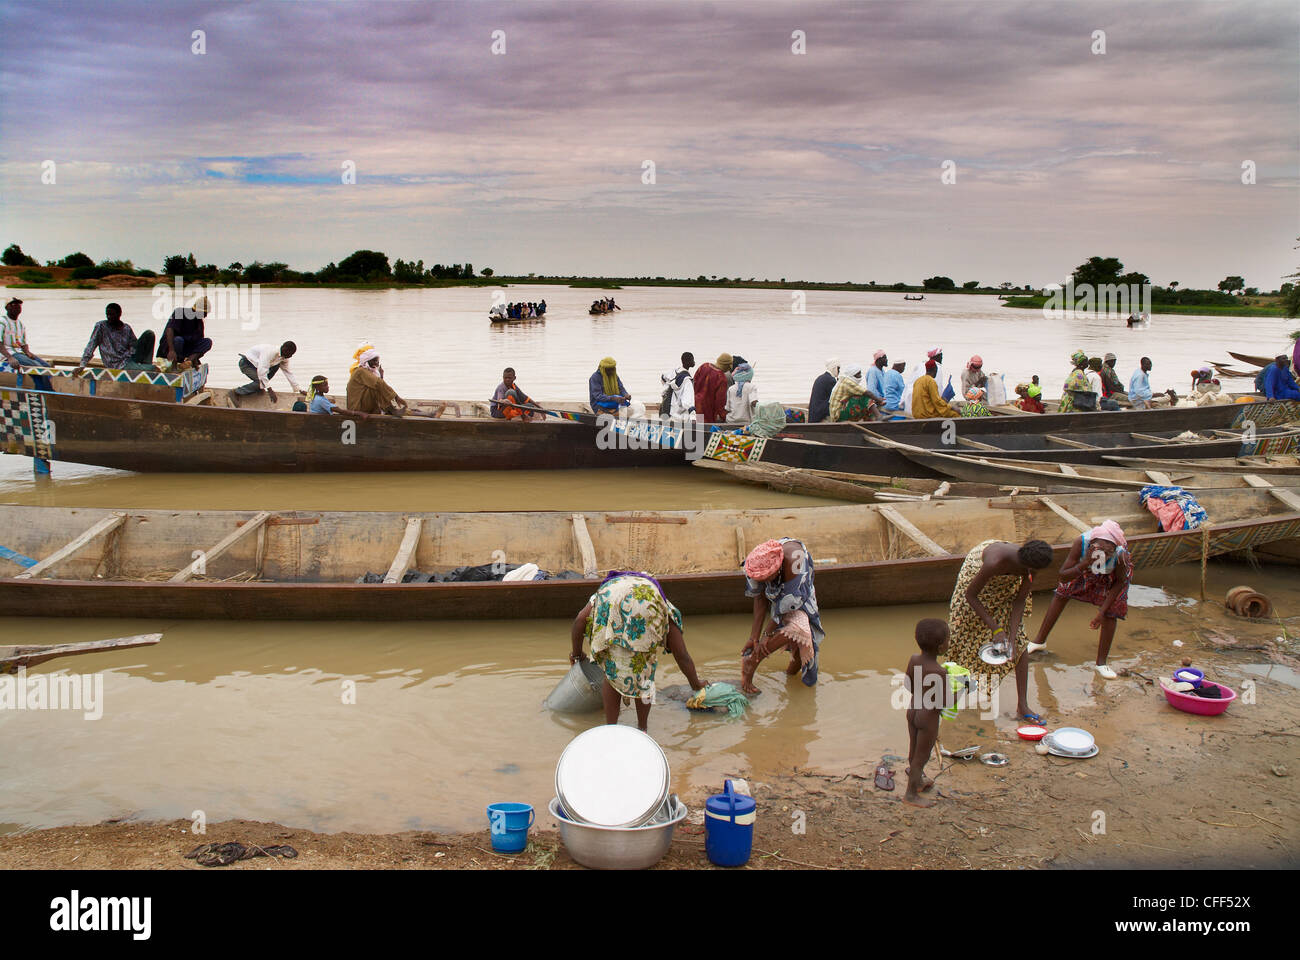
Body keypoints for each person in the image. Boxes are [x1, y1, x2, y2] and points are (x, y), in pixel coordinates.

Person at [569, 571, 705, 732]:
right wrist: (696, 685)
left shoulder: (605, 591)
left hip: (612, 602)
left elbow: (579, 620)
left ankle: (610, 728)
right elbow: (682, 656)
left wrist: (577, 654)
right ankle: (642, 728)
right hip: (646, 606)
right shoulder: (663, 607)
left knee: (611, 673)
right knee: (645, 676)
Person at [947, 538, 1055, 723]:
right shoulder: (995, 561)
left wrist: (1011, 639)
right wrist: (996, 629)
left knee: (1021, 645)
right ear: (1024, 562)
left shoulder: (1033, 566)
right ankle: (949, 701)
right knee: (965, 640)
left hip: (1004, 587)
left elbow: (1019, 600)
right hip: (976, 581)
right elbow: (971, 595)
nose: (1033, 573)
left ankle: (1022, 707)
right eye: (1030, 570)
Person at [1030, 521, 1131, 680]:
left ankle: (1101, 663)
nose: (1101, 557)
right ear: (1091, 545)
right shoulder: (1081, 542)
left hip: (1112, 577)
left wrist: (1101, 612)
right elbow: (1063, 575)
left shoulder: (1120, 555)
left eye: (1105, 556)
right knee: (1062, 592)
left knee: (1110, 613)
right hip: (1084, 567)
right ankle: (1039, 641)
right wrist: (1085, 563)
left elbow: (1119, 582)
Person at [740, 538, 824, 694]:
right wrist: (754, 638)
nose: (763, 582)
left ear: (777, 569)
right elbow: (759, 598)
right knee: (798, 632)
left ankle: (774, 669)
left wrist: (768, 634)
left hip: (799, 594)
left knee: (801, 638)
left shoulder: (795, 560)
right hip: (782, 594)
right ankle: (753, 661)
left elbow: (790, 603)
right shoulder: (752, 566)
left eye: (766, 579)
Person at [903, 618, 952, 808]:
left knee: (913, 749)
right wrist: (965, 688)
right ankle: (911, 794)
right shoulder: (940, 672)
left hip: (913, 710)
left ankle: (919, 781)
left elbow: (907, 684)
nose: (950, 642)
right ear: (941, 648)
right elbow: (944, 702)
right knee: (921, 757)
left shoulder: (914, 659)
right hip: (927, 718)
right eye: (948, 639)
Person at [77, 303, 156, 370]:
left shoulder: (126, 328)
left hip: (129, 358)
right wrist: (82, 365)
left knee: (149, 334)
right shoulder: (101, 326)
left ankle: (146, 364)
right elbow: (91, 346)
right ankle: (147, 367)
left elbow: (134, 345)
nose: (109, 317)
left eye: (112, 314)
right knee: (153, 369)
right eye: (107, 314)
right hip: (118, 364)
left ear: (119, 314)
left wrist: (132, 354)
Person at [0, 298, 54, 391]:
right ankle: (48, 392)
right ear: (7, 307)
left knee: (47, 367)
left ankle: (42, 391)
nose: (17, 307)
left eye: (19, 305)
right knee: (38, 368)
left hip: (20, 352)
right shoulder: (2, 322)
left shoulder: (20, 324)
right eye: (14, 305)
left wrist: (28, 352)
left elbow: (23, 343)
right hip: (7, 353)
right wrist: (9, 357)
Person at [232, 341, 303, 403]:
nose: (290, 356)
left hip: (257, 366)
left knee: (276, 366)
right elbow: (262, 371)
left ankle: (259, 387)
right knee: (259, 381)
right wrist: (269, 390)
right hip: (246, 364)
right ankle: (237, 392)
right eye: (290, 354)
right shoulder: (270, 352)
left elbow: (288, 372)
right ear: (285, 349)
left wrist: (299, 389)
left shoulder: (284, 357)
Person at [347, 348, 408, 415]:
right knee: (377, 387)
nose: (377, 363)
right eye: (374, 361)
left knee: (378, 386)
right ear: (366, 362)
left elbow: (380, 384)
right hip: (356, 408)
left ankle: (386, 409)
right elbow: (378, 383)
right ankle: (391, 409)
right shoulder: (361, 371)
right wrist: (396, 397)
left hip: (362, 404)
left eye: (377, 361)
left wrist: (381, 376)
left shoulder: (368, 371)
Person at [157, 297, 213, 368]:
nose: (206, 316)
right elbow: (170, 329)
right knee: (179, 340)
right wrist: (171, 350)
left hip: (184, 350)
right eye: (204, 313)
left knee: (207, 342)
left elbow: (198, 343)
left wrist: (195, 358)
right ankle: (174, 365)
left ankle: (188, 362)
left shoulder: (199, 323)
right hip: (169, 349)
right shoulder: (180, 312)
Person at [904, 347, 946, 416]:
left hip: (909, 404)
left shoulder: (920, 365)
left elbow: (908, 384)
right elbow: (938, 390)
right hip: (924, 408)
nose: (942, 358)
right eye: (941, 356)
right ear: (937, 356)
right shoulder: (937, 367)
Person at [303, 375, 369, 418]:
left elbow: (307, 393)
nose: (327, 387)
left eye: (327, 385)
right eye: (325, 385)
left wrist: (302, 391)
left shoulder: (313, 396)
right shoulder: (321, 400)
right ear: (317, 387)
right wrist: (359, 413)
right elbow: (340, 411)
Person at [693, 353, 732, 423]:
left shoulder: (704, 366)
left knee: (698, 428)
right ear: (727, 366)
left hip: (696, 405)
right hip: (708, 410)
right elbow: (720, 403)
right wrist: (726, 417)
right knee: (706, 431)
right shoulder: (721, 378)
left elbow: (694, 383)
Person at [661, 352, 695, 420]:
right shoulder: (687, 380)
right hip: (679, 415)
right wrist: (693, 417)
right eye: (692, 360)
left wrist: (667, 386)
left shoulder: (676, 370)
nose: (694, 362)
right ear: (688, 362)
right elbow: (687, 402)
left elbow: (663, 377)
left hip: (670, 409)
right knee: (698, 417)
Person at [807, 358, 840, 423]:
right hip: (820, 414)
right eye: (838, 368)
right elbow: (835, 398)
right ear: (833, 368)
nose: (839, 371)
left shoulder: (821, 377)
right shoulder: (830, 380)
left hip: (814, 412)